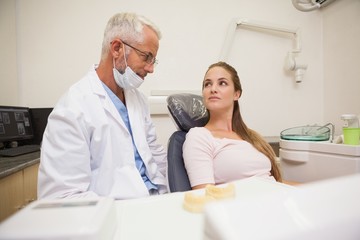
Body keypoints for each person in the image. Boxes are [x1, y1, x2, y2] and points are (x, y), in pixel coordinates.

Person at [38, 12, 167, 199]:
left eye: (153, 60)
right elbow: (61, 197)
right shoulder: (72, 109)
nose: (151, 68)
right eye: (146, 57)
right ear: (117, 48)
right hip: (115, 211)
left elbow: (156, 156)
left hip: (156, 200)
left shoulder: (137, 100)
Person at [182, 61, 282, 190]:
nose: (213, 89)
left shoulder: (251, 136)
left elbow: (275, 182)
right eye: (207, 84)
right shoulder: (199, 136)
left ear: (237, 94)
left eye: (222, 83)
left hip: (278, 197)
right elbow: (205, 196)